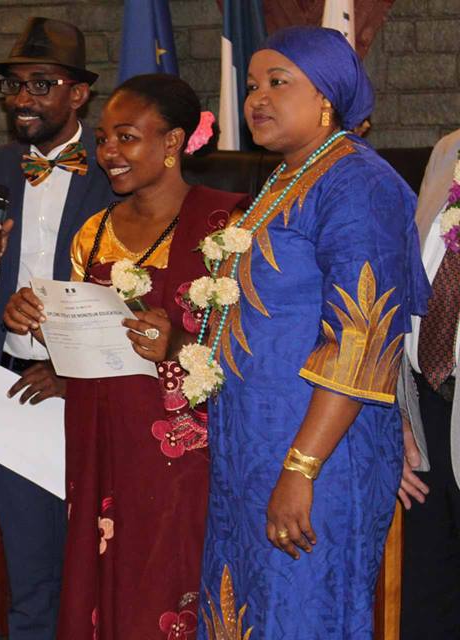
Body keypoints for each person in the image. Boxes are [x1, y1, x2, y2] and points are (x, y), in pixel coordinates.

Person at [195, 27, 429, 639]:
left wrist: (301, 468)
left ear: (327, 95)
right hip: (255, 451)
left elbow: (362, 341)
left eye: (278, 82)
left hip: (316, 456)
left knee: (300, 616)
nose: (257, 99)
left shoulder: (358, 183)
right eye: (252, 86)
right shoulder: (285, 178)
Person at [4, 74, 248, 639]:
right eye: (104, 139)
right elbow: (81, 341)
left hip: (188, 456)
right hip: (102, 443)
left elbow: (258, 346)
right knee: (104, 586)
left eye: (127, 137)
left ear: (173, 141)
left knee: (170, 589)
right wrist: (35, 321)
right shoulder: (93, 231)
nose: (109, 151)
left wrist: (179, 345)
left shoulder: (228, 226)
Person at [0, 17, 115, 639]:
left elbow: (135, 288)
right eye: (14, 85)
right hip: (13, 389)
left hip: (93, 393)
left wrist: (72, 367)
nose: (22, 98)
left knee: (96, 572)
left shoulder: (114, 165)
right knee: (29, 578)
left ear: (79, 94)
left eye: (40, 84)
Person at [397, 127, 460, 638]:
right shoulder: (448, 150)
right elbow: (405, 283)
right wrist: (397, 418)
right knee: (424, 604)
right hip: (426, 413)